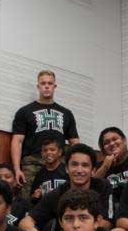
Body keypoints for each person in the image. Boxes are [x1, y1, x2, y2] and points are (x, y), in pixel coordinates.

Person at [20, 144, 115, 231]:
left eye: (85, 165)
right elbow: (26, 222)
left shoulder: (103, 186)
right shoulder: (57, 193)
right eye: (74, 164)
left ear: (93, 170)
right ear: (66, 168)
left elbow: (106, 223)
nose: (79, 170)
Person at [11, 70, 80, 198]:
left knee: (64, 198)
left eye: (50, 83)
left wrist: (76, 165)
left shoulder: (66, 113)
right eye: (43, 83)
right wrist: (17, 169)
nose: (46, 86)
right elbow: (17, 141)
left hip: (60, 163)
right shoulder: (24, 112)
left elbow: (74, 143)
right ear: (38, 86)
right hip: (32, 162)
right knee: (27, 199)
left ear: (55, 86)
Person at [93, 127, 128, 207]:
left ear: (124, 141)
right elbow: (93, 188)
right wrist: (105, 167)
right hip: (113, 209)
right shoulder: (100, 167)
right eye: (106, 143)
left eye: (115, 139)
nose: (111, 143)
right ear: (103, 149)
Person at [29, 137, 68, 204]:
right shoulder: (40, 174)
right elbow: (32, 199)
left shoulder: (67, 170)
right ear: (41, 154)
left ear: (60, 152)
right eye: (45, 150)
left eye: (52, 150)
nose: (48, 152)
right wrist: (35, 195)